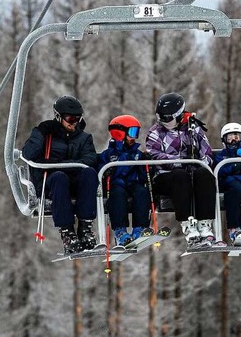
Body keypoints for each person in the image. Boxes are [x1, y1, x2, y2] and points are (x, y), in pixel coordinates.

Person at [22, 95, 99, 254]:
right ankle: (67, 232)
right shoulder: (46, 135)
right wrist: (39, 134)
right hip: (51, 183)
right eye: (70, 118)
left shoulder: (84, 138)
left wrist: (67, 164)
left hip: (75, 181)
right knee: (59, 177)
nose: (74, 122)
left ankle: (85, 227)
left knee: (90, 173)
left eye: (77, 118)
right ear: (58, 117)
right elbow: (28, 154)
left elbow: (90, 158)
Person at [145, 92, 217, 247]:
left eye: (167, 118)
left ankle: (205, 224)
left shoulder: (194, 130)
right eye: (160, 118)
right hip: (166, 176)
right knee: (180, 176)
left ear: (178, 115)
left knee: (204, 174)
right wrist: (178, 162)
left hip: (192, 173)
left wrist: (200, 162)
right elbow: (154, 155)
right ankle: (188, 225)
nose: (163, 122)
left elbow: (207, 152)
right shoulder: (155, 132)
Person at [97, 114, 153, 246]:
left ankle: (139, 228)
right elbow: (100, 171)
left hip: (133, 184)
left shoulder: (138, 154)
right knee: (118, 194)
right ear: (119, 133)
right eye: (132, 132)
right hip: (116, 185)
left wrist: (147, 167)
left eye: (136, 133)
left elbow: (143, 176)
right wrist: (106, 172)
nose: (134, 137)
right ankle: (120, 231)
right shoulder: (109, 155)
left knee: (141, 191)